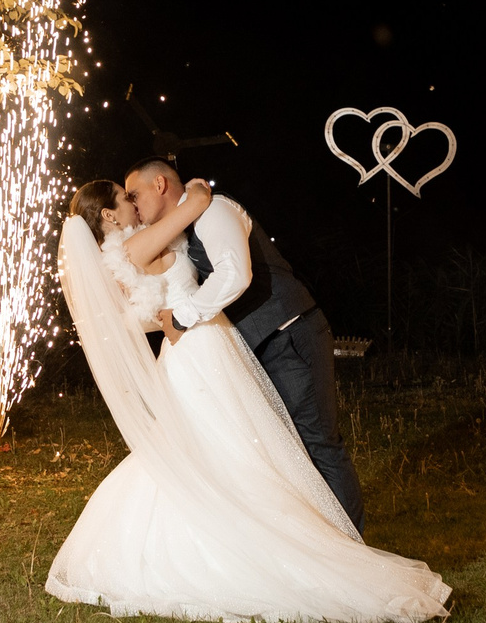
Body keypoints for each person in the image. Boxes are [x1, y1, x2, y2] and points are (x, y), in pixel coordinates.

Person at [43, 177, 448, 623]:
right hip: (199, 351)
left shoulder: (122, 254)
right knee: (235, 446)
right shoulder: (133, 248)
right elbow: (187, 220)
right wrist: (196, 198)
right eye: (126, 197)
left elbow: (143, 314)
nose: (134, 202)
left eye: (135, 192)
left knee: (230, 446)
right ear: (109, 215)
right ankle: (283, 546)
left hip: (202, 347)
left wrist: (169, 316)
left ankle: (315, 536)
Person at [121, 157, 364, 529]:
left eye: (135, 194)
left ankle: (351, 548)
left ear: (160, 185)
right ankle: (315, 539)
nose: (133, 204)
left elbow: (235, 273)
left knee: (318, 443)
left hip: (287, 333)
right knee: (282, 451)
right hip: (251, 347)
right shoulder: (186, 223)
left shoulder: (215, 210)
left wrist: (184, 316)